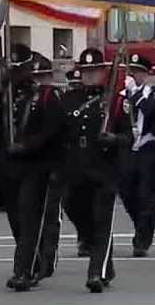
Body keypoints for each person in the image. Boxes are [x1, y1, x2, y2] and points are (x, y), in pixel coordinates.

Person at [0, 44, 63, 291]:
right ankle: (33, 263)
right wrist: (0, 87)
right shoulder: (4, 94)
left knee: (29, 216)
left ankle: (22, 271)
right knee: (16, 220)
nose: (15, 73)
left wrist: (27, 146)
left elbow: (51, 131)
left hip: (34, 166)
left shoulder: (43, 95)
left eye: (19, 68)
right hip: (7, 166)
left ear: (28, 68)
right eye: (11, 68)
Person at [59, 48, 132, 293]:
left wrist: (112, 138)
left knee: (102, 220)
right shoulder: (70, 99)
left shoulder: (117, 101)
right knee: (75, 211)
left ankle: (96, 273)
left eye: (94, 71)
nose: (89, 76)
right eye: (85, 71)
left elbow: (128, 137)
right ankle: (104, 261)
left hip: (104, 170)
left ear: (103, 72)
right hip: (76, 168)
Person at [32, 53, 69, 279]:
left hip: (54, 162)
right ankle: (36, 257)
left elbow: (58, 132)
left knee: (50, 214)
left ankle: (48, 258)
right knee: (33, 214)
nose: (38, 82)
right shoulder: (28, 99)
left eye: (42, 77)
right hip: (33, 164)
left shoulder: (55, 98)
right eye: (35, 77)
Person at [119, 54, 154, 258]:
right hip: (129, 149)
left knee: (146, 195)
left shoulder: (150, 93)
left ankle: (142, 239)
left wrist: (134, 95)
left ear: (147, 74)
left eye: (140, 72)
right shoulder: (124, 94)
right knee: (126, 192)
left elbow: (149, 111)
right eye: (133, 71)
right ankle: (142, 224)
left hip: (149, 148)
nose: (136, 76)